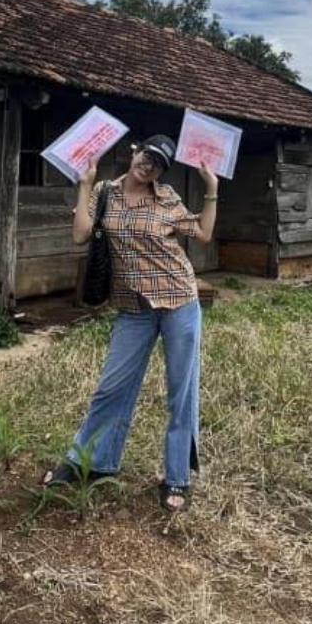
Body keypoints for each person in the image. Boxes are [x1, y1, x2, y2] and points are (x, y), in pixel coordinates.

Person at [42, 133, 220, 513]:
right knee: (111, 388)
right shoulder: (105, 192)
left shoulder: (167, 197)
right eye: (147, 155)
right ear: (134, 150)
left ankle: (177, 477)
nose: (150, 164)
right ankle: (89, 460)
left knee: (180, 392)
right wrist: (84, 186)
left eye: (159, 163)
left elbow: (202, 234)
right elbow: (80, 234)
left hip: (178, 302)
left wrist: (211, 190)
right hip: (133, 308)